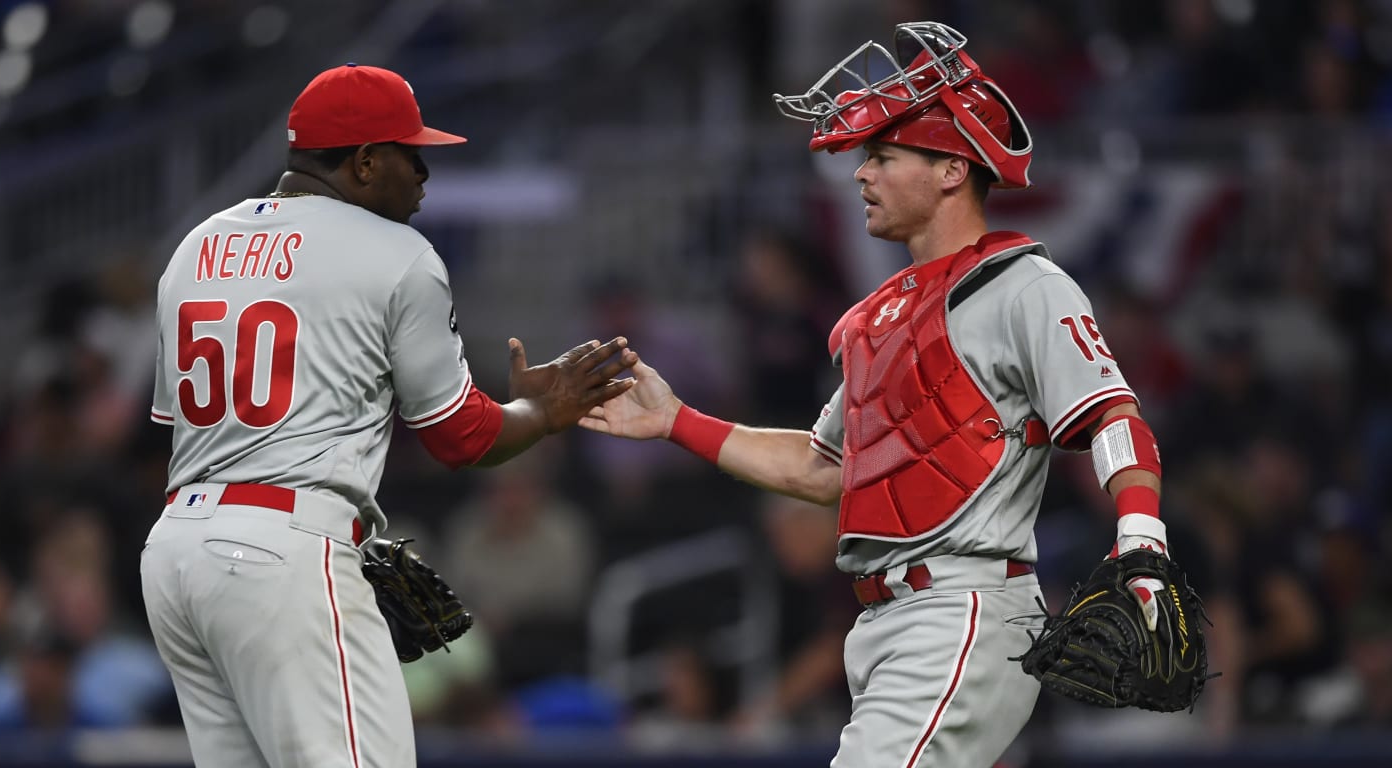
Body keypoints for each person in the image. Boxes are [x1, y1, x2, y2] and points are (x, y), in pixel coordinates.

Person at [582, 22, 1181, 767]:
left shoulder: (1025, 286)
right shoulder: (880, 318)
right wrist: (678, 421)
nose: (861, 175)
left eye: (884, 156)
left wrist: (1141, 538)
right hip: (883, 625)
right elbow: (823, 467)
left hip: (963, 605)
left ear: (952, 170)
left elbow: (1114, 413)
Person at [141, 63, 638, 768]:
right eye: (412, 155)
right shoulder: (396, 253)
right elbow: (461, 436)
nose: (425, 175)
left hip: (174, 554)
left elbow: (175, 427)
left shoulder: (196, 246)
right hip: (284, 550)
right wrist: (542, 411)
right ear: (367, 161)